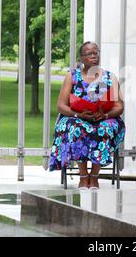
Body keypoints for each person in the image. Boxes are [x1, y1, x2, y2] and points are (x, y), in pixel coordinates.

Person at [49, 41, 125, 190]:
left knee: (102, 129)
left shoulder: (109, 77)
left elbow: (119, 106)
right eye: (89, 54)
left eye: (96, 53)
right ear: (81, 58)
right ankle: (83, 175)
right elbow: (61, 106)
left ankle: (95, 175)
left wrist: (105, 115)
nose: (94, 56)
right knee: (76, 128)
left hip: (103, 117)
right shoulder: (72, 76)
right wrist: (78, 114)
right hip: (77, 117)